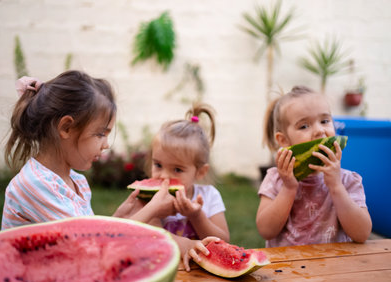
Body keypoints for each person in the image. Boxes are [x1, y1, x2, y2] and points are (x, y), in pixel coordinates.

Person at [2, 71, 215, 270]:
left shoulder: (76, 182)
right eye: (100, 134)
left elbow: (92, 235)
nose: (106, 144)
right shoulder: (35, 185)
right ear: (66, 128)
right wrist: (152, 210)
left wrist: (120, 216)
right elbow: (95, 246)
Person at [256, 86, 372, 247]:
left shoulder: (346, 180)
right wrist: (288, 188)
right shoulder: (276, 179)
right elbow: (266, 230)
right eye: (304, 126)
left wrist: (336, 187)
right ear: (283, 140)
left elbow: (362, 234)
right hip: (288, 268)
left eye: (325, 121)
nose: (319, 131)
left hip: (335, 267)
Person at [147, 102, 230, 243]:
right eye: (158, 165)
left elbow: (224, 241)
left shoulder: (209, 196)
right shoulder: (149, 198)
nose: (164, 176)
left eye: (177, 169)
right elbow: (152, 238)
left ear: (200, 172)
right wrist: (154, 209)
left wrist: (196, 216)